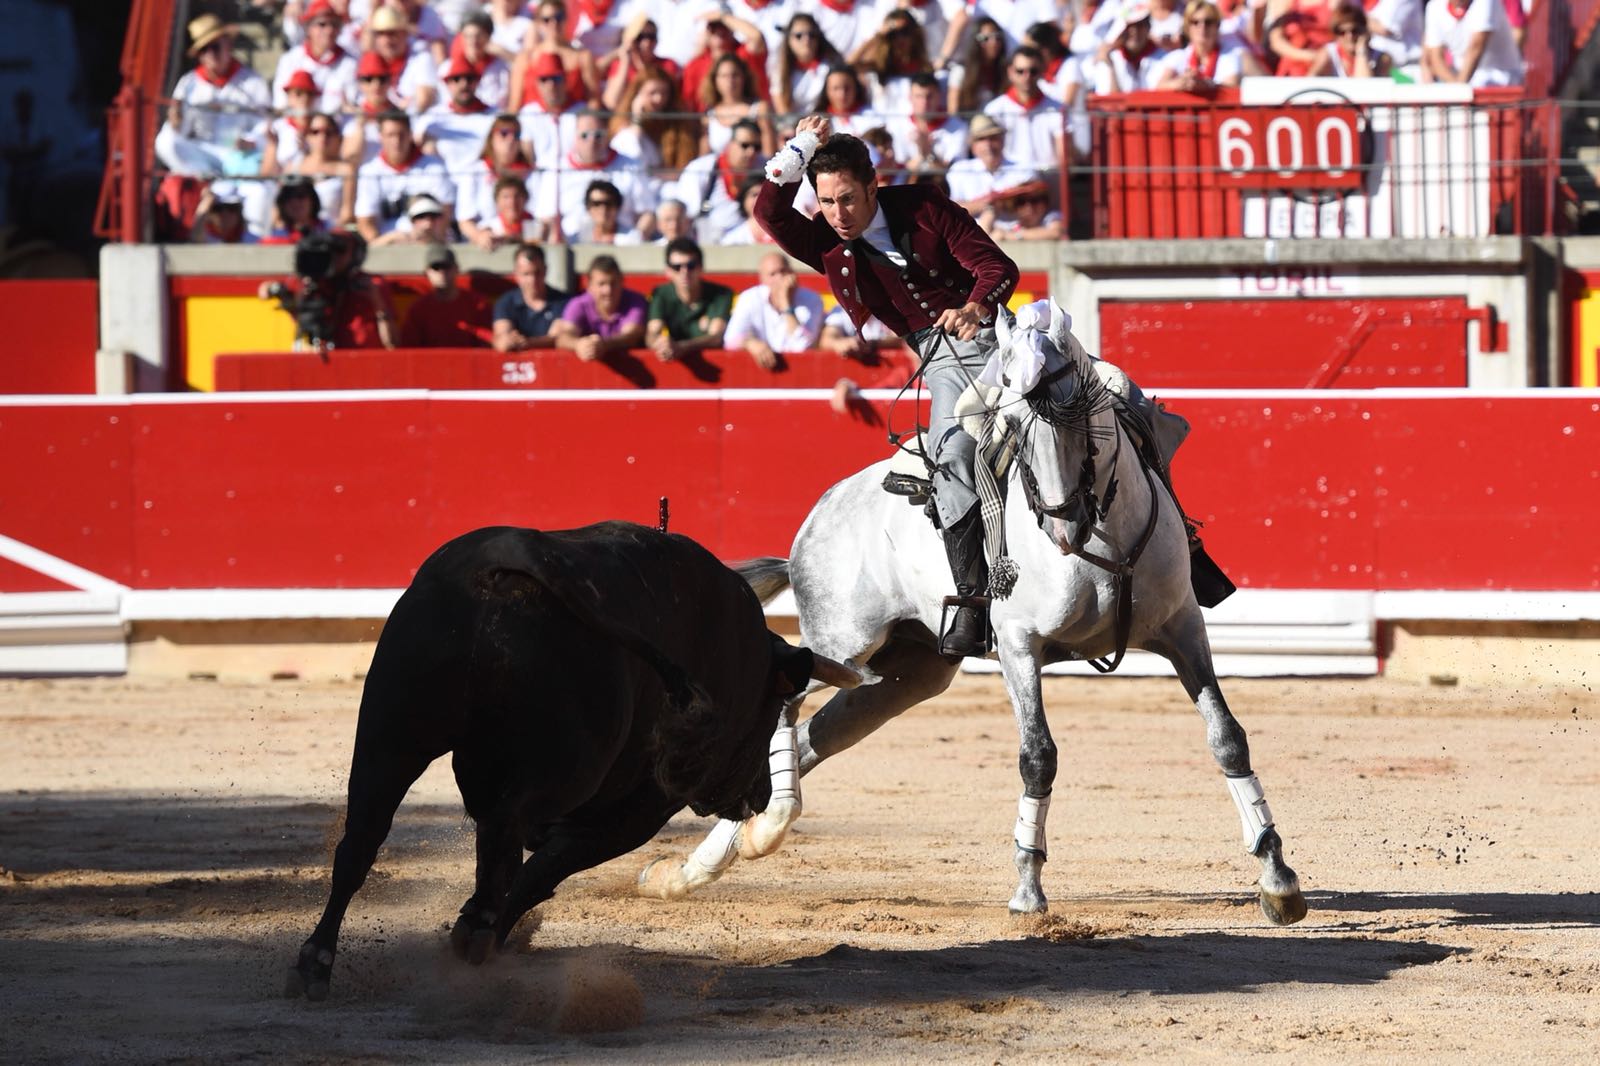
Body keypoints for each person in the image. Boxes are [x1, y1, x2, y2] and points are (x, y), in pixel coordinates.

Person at [755, 116, 1020, 658]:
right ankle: (972, 603)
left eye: (847, 199)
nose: (837, 215)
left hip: (1005, 336)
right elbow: (769, 209)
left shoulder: (923, 206)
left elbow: (997, 266)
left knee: (1108, 401)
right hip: (944, 358)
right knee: (951, 456)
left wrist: (976, 303)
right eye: (826, 203)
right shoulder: (827, 244)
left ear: (873, 186)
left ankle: (1186, 553)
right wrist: (803, 146)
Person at [155, 15, 272, 178]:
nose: (210, 54)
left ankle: (212, 184)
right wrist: (176, 123)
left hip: (240, 156)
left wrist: (249, 141)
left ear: (228, 44)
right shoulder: (188, 83)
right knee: (165, 140)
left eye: (215, 47)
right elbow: (182, 132)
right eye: (203, 50)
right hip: (203, 154)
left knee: (260, 184)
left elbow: (265, 125)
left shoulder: (253, 82)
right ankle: (205, 182)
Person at [536, 109, 660, 242]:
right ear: (574, 136)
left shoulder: (631, 165)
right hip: (572, 247)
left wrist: (633, 240)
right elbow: (546, 218)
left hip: (619, 246)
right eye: (585, 135)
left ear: (607, 134)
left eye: (598, 135)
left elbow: (648, 214)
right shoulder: (556, 169)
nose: (592, 141)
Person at [354, 110, 455, 244]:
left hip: (429, 244)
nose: (396, 141)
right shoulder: (369, 172)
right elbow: (365, 223)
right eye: (390, 135)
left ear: (410, 134)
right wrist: (382, 245)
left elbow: (445, 214)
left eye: (401, 134)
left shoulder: (434, 167)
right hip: (387, 247)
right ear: (380, 137)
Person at [723, 251, 824, 368]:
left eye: (783, 271)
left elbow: (803, 346)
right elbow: (730, 341)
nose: (779, 278)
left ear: (792, 273)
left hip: (802, 372)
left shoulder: (812, 299)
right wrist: (750, 343)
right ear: (762, 279)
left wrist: (786, 305)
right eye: (772, 274)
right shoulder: (750, 298)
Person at [674, 118, 763, 244]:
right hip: (709, 239)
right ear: (730, 144)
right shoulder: (701, 168)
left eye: (757, 147)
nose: (751, 152)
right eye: (745, 145)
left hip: (749, 239)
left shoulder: (764, 167)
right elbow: (686, 214)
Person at [645, 237, 734, 362]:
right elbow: (652, 333)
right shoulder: (661, 293)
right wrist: (661, 344)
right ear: (668, 271)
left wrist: (682, 347)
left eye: (691, 265)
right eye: (677, 267)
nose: (684, 272)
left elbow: (716, 337)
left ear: (701, 267)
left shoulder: (721, 294)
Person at [982, 45, 1064, 176]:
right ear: (1010, 72)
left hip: (1047, 180)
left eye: (1033, 71)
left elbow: (1064, 157)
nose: (1027, 76)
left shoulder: (1058, 108)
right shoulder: (994, 109)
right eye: (1020, 71)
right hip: (1008, 181)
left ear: (1042, 71)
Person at [551, 254, 650, 360]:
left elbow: (632, 337)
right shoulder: (578, 304)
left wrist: (603, 345)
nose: (608, 291)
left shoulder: (636, 302)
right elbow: (563, 337)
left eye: (613, 283)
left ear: (622, 281)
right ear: (589, 285)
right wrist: (578, 344)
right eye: (601, 284)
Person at [944, 114, 1041, 221]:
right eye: (981, 139)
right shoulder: (959, 170)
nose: (988, 145)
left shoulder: (1024, 168)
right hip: (973, 234)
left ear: (1002, 141)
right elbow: (950, 210)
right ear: (973, 146)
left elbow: (1035, 210)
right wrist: (987, 204)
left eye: (993, 138)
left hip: (1013, 233)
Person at [399, 244, 494, 347]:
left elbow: (488, 342)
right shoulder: (418, 309)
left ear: (457, 269)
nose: (441, 272)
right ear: (427, 273)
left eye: (446, 266)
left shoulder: (477, 304)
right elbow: (409, 347)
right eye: (436, 267)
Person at [273, 1, 357, 114]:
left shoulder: (350, 63)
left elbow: (353, 105)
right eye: (322, 24)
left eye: (334, 25)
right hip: (299, 124)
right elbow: (280, 105)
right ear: (308, 28)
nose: (329, 30)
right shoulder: (290, 60)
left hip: (335, 128)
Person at [1155, 0, 1261, 90]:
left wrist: (1206, 85)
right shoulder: (1178, 56)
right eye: (1195, 22)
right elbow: (1158, 87)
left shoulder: (1231, 55)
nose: (1202, 27)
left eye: (1208, 22)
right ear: (1188, 27)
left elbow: (1232, 86)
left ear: (1217, 26)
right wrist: (1180, 83)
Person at [1421, 0, 1524, 87]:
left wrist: (1459, 91)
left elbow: (1476, 47)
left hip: (1502, 81)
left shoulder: (1486, 2)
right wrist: (1456, 89)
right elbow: (1436, 57)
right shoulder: (1434, 7)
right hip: (1464, 83)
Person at [361, 4, 439, 113]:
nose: (387, 40)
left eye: (392, 33)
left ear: (405, 34)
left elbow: (423, 102)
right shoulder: (372, 62)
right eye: (381, 34)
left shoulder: (422, 59)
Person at [493, 242, 571, 351]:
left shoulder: (563, 302)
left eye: (537, 273)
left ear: (546, 270)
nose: (532, 280)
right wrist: (508, 341)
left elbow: (557, 339)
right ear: (516, 274)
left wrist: (527, 343)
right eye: (526, 274)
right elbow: (501, 338)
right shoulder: (505, 302)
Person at [769, 13, 842, 120]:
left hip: (826, 122)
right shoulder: (779, 69)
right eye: (799, 35)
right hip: (793, 126)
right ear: (789, 40)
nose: (806, 40)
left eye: (812, 35)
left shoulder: (831, 65)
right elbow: (782, 111)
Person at [1087, 5, 1170, 93]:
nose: (1134, 31)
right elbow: (1109, 102)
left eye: (1140, 25)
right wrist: (1111, 68)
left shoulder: (1165, 58)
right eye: (1129, 27)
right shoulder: (1111, 59)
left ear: (1148, 27)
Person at [1306, 4, 1393, 77]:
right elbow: (1310, 82)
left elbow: (1365, 90)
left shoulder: (1382, 58)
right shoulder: (1328, 54)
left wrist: (1361, 52)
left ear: (1364, 30)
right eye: (1342, 32)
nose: (1349, 36)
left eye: (1354, 30)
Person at [191, 181, 259, 244]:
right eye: (218, 209)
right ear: (210, 211)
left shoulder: (251, 240)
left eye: (231, 208)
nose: (225, 214)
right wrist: (207, 201)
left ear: (239, 211)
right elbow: (196, 236)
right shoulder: (206, 237)